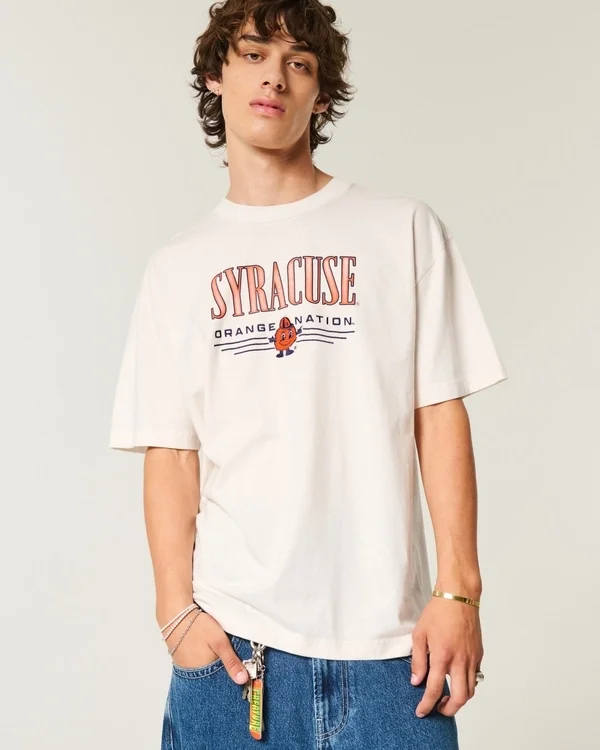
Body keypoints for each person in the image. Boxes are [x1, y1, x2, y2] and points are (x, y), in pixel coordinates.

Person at [108, 1, 508, 748]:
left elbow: (438, 413)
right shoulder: (177, 268)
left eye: (299, 63)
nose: (275, 78)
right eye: (254, 54)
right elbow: (171, 452)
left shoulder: (401, 230)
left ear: (321, 96)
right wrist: (175, 614)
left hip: (394, 654)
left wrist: (460, 591)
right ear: (216, 75)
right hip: (236, 652)